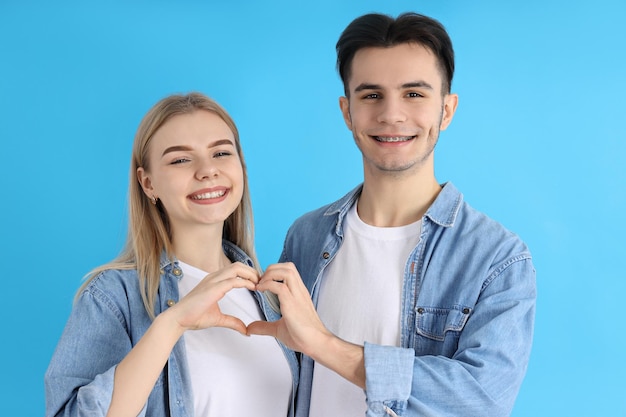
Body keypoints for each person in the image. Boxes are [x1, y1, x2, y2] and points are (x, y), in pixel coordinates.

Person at [248, 12, 536, 417]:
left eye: (414, 94)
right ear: (347, 112)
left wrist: (322, 343)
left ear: (447, 109)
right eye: (371, 95)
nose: (391, 115)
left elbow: (481, 400)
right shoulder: (307, 236)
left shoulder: (497, 259)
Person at [45, 92, 298, 417]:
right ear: (148, 183)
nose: (208, 170)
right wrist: (173, 322)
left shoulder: (272, 299)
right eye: (180, 159)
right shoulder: (112, 297)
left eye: (221, 152)